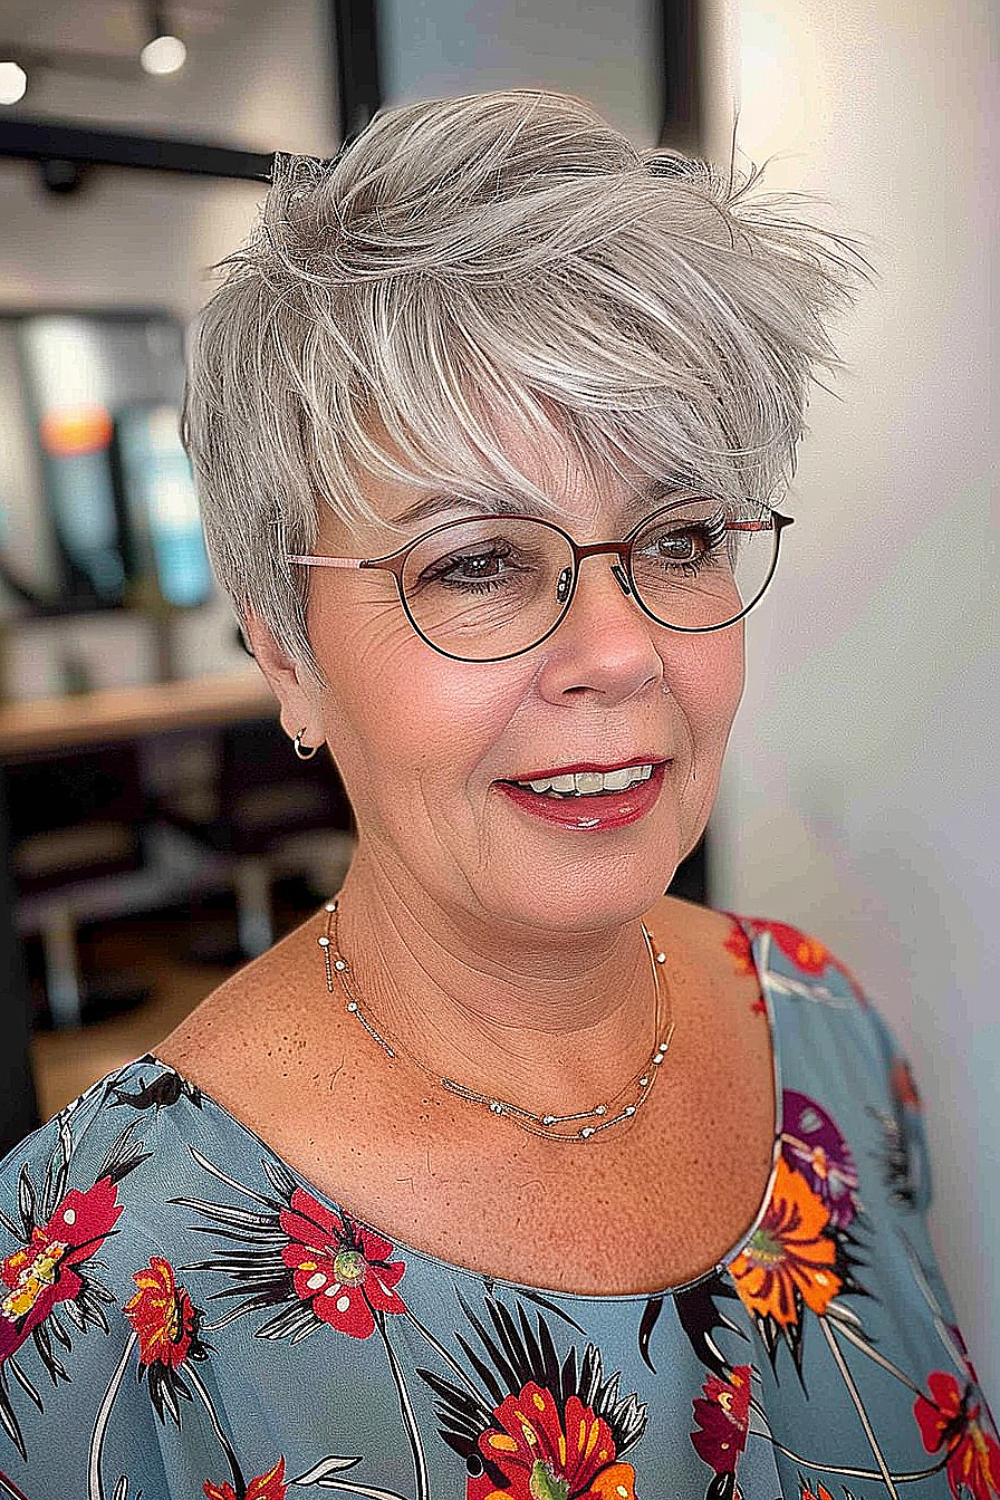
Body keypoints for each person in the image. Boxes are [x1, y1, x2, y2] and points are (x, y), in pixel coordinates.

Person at [1, 89, 994, 1500]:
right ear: (283, 645)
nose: (623, 652)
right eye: (474, 561)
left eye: (682, 535)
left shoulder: (827, 1034)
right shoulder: (99, 1282)